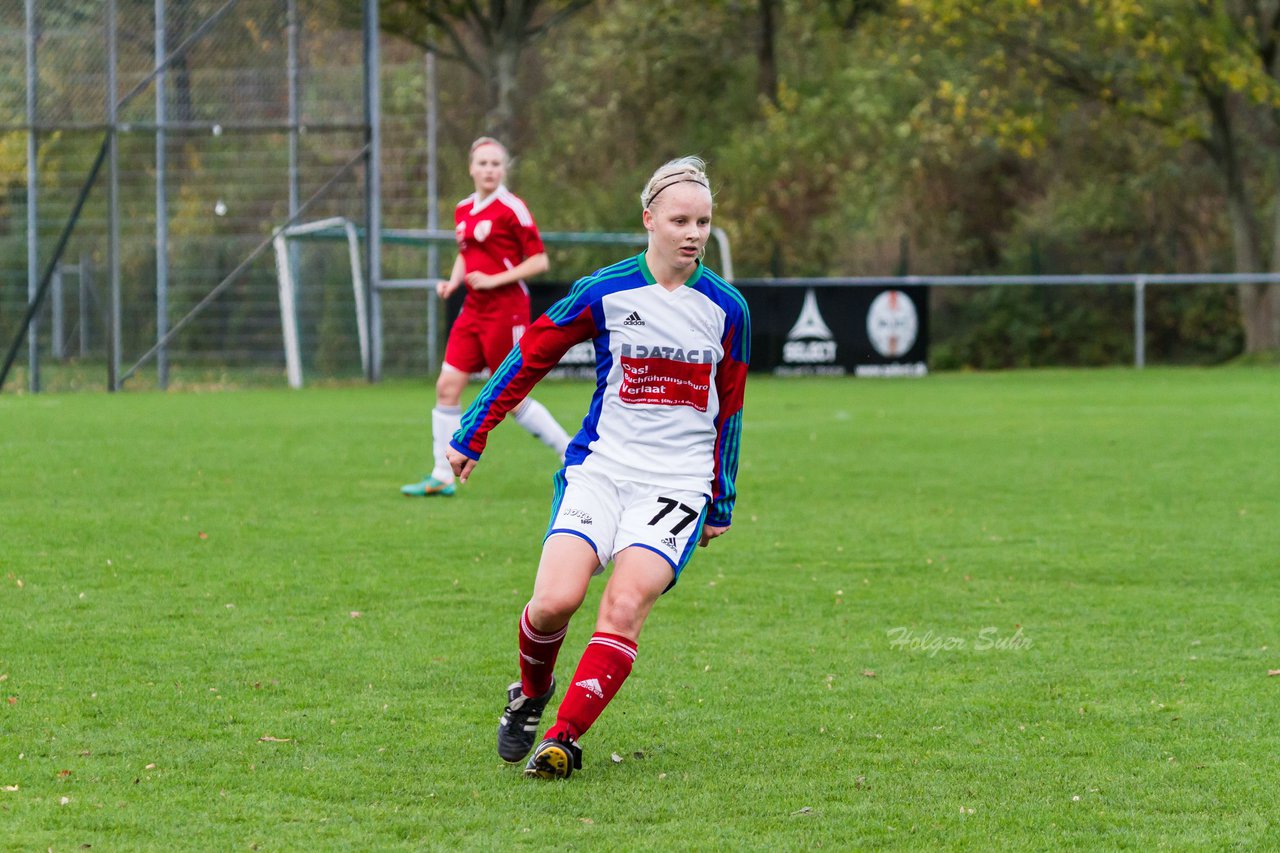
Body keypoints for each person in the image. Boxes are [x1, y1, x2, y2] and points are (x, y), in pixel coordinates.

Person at [445, 156, 750, 779]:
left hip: (678, 486)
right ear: (649, 220)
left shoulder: (728, 308)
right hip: (601, 470)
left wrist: (720, 500)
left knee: (624, 605)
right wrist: (473, 429)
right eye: (680, 220)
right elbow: (529, 356)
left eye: (703, 222)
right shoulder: (603, 291)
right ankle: (531, 694)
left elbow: (732, 410)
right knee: (555, 602)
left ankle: (562, 739)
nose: (693, 233)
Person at [401, 137, 570, 498]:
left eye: (496, 164)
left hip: (507, 310)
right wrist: (453, 283)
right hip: (472, 310)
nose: (489, 170)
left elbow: (539, 260)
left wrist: (495, 279)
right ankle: (441, 475)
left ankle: (569, 450)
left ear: (503, 169)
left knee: (510, 396)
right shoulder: (463, 209)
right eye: (483, 163)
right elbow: (467, 253)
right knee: (446, 387)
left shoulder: (513, 208)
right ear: (471, 168)